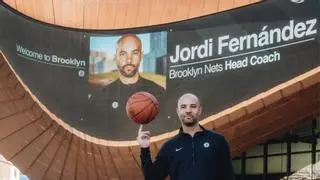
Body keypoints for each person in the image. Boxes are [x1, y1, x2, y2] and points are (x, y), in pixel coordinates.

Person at [86, 34, 169, 140]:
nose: (129, 60)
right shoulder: (100, 97)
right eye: (123, 53)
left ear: (141, 56)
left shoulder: (159, 92)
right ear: (116, 57)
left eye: (134, 53)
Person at [137, 93, 234, 180]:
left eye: (193, 106)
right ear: (178, 111)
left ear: (199, 110)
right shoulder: (169, 146)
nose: (188, 110)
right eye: (183, 107)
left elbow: (228, 176)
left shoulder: (217, 140)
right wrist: (144, 148)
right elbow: (152, 177)